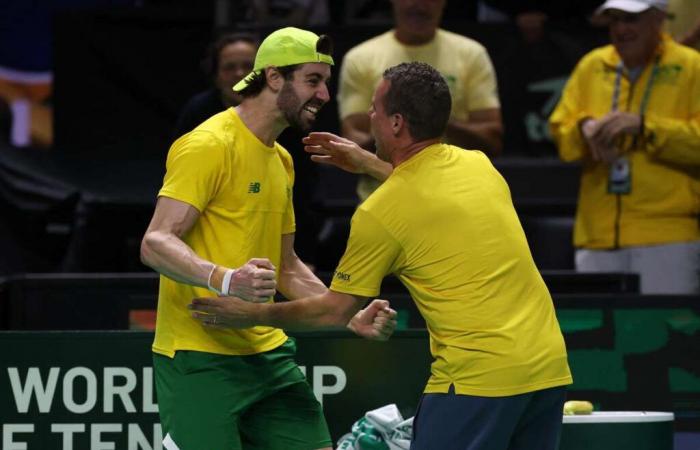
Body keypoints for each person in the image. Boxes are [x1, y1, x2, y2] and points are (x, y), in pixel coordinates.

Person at [190, 62, 573, 450]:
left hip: (478, 381)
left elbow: (334, 311)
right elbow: (427, 195)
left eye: (375, 109)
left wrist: (252, 314)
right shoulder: (479, 166)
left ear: (395, 124)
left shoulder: (380, 213)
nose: (369, 117)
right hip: (547, 370)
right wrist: (369, 163)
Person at [141, 27, 396, 450]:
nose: (324, 96)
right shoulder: (207, 144)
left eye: (325, 83)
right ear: (275, 77)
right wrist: (224, 279)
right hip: (200, 354)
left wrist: (351, 315)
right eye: (313, 81)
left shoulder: (282, 160)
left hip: (269, 356)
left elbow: (288, 266)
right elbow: (155, 242)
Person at [549, 0, 700, 294]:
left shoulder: (691, 67)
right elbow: (560, 133)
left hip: (668, 237)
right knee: (600, 337)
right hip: (597, 237)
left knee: (665, 335)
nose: (620, 29)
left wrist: (645, 127)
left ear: (658, 19)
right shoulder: (593, 65)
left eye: (631, 19)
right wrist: (585, 129)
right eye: (614, 20)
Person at [336, 0, 503, 201]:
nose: (419, 5)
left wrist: (434, 118)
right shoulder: (360, 58)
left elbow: (492, 140)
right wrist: (412, 118)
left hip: (457, 198)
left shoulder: (471, 54)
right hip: (384, 200)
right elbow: (353, 145)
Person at [173, 32, 257, 137]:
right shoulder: (198, 110)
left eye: (248, 66)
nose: (239, 73)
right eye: (229, 67)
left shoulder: (280, 109)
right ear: (215, 75)